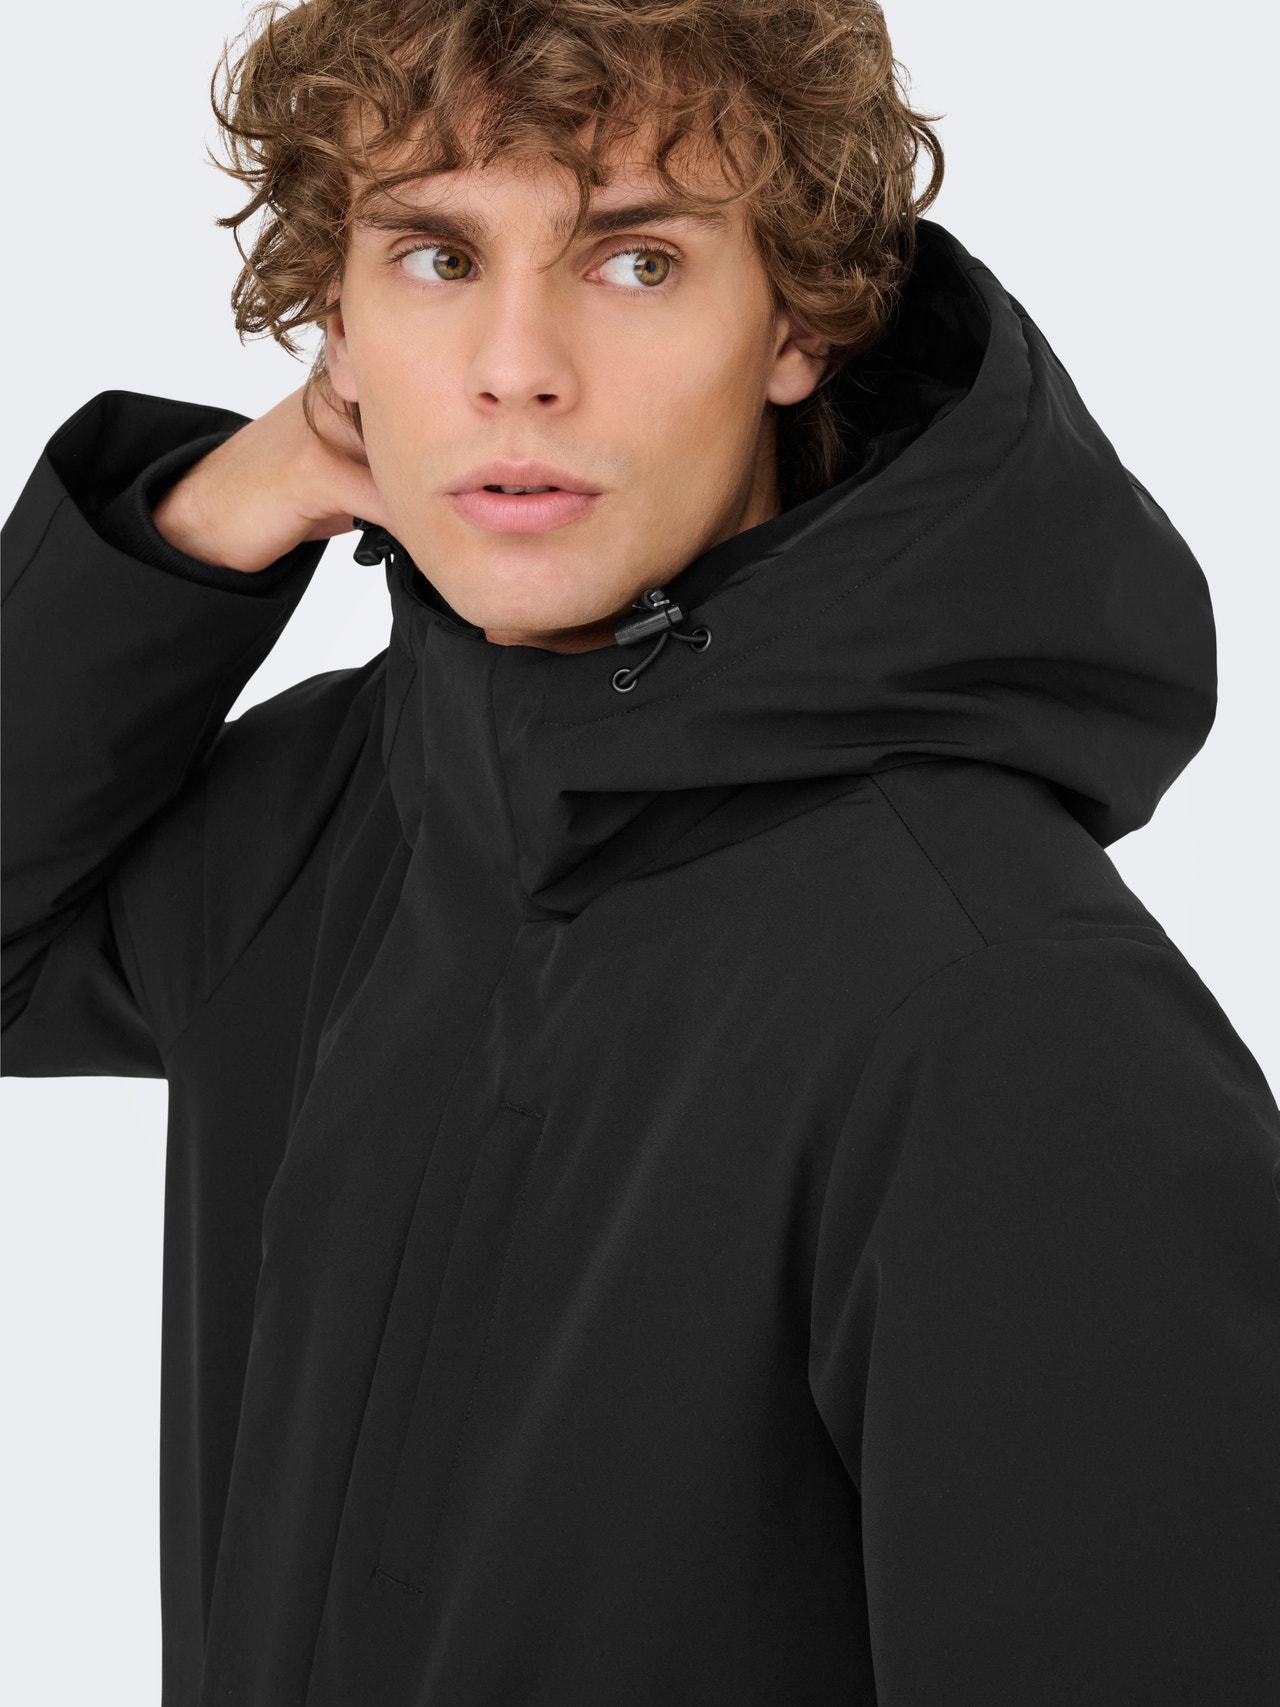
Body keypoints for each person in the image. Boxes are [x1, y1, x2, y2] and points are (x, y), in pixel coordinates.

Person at [3, 0, 1278, 1701]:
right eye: (437, 256)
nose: (515, 368)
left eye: (636, 262)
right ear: (339, 323)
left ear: (798, 321)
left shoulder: (1006, 1013)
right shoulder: (337, 812)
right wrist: (211, 517)